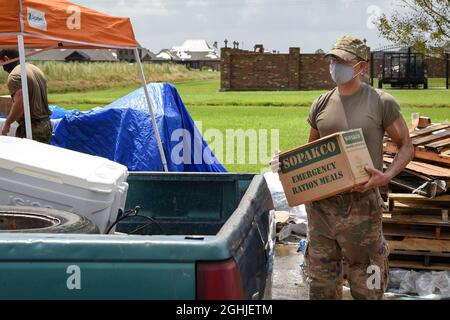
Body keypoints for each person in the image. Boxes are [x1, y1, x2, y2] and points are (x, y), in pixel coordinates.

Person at [270, 36, 414, 300]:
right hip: (321, 209)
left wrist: (387, 176)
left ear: (360, 66)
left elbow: (406, 145)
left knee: (367, 283)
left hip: (361, 206)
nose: (335, 65)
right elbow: (310, 154)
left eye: (342, 60)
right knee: (322, 283)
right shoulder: (321, 104)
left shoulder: (381, 102)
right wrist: (285, 165)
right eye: (333, 60)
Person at [0, 49, 52, 143]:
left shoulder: (15, 76)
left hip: (31, 127)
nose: (3, 68)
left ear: (6, 59)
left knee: (27, 157)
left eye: (1, 64)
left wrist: (7, 123)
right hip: (46, 124)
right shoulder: (34, 68)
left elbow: (20, 103)